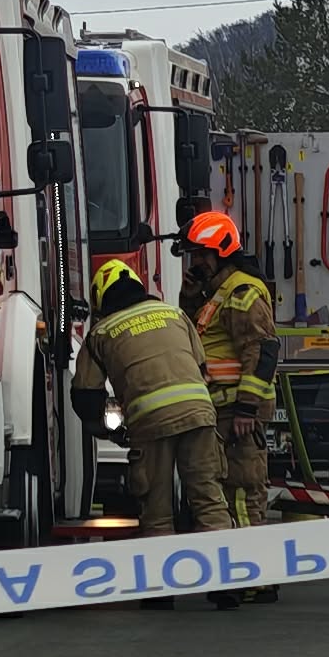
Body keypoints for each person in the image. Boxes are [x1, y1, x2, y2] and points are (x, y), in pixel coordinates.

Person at [76, 256, 229, 602]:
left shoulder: (101, 333)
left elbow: (85, 397)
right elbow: (200, 365)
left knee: (157, 511)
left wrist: (110, 431)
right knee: (208, 499)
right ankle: (225, 585)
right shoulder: (175, 315)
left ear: (101, 298)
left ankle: (161, 591)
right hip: (199, 415)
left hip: (150, 423)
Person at [184, 211, 285, 542]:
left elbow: (260, 350)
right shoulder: (218, 292)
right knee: (229, 491)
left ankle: (252, 577)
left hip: (237, 412)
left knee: (243, 491)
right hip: (223, 409)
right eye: (194, 254)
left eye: (201, 254)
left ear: (222, 252)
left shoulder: (241, 291)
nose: (196, 262)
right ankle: (243, 574)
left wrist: (247, 408)